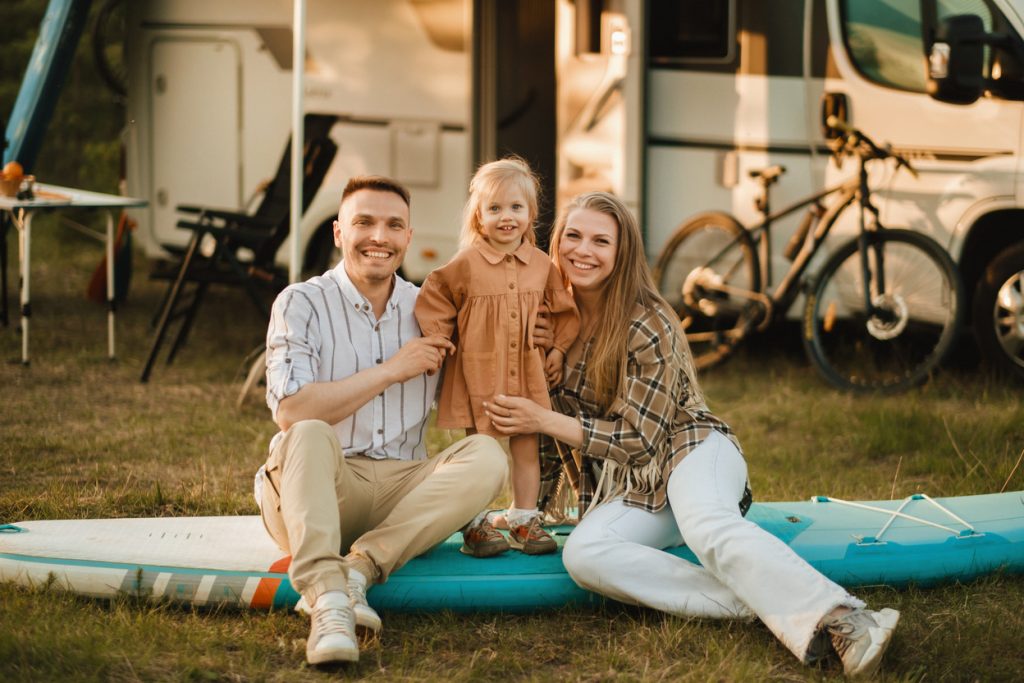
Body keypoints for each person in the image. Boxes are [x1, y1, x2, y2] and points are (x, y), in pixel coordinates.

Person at [484, 191, 900, 678]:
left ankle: (848, 618)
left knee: (708, 529)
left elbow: (641, 440)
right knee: (586, 554)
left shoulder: (647, 320)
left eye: (601, 240)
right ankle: (773, 606)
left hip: (691, 449)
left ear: (622, 254)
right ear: (555, 245)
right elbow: (550, 445)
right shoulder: (549, 322)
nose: (583, 250)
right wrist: (523, 511)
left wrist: (542, 419)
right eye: (572, 236)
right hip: (635, 488)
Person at [255, 175, 509, 666]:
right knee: (307, 431)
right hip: (318, 485)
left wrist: (544, 334)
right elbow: (291, 410)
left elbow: (487, 383)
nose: (379, 236)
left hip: (399, 491)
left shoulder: (429, 307)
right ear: (337, 233)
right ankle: (328, 604)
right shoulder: (300, 302)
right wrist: (393, 369)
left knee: (486, 454)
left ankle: (359, 571)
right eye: (364, 222)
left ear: (409, 238)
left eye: (394, 225)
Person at [415, 158, 579, 556]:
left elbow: (563, 310)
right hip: (479, 374)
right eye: (495, 209)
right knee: (482, 455)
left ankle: (523, 519)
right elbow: (434, 296)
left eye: (516, 208)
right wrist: (439, 339)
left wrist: (557, 348)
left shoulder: (542, 265)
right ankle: (475, 526)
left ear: (531, 214)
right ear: (478, 217)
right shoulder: (466, 264)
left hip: (525, 373)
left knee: (526, 448)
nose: (506, 217)